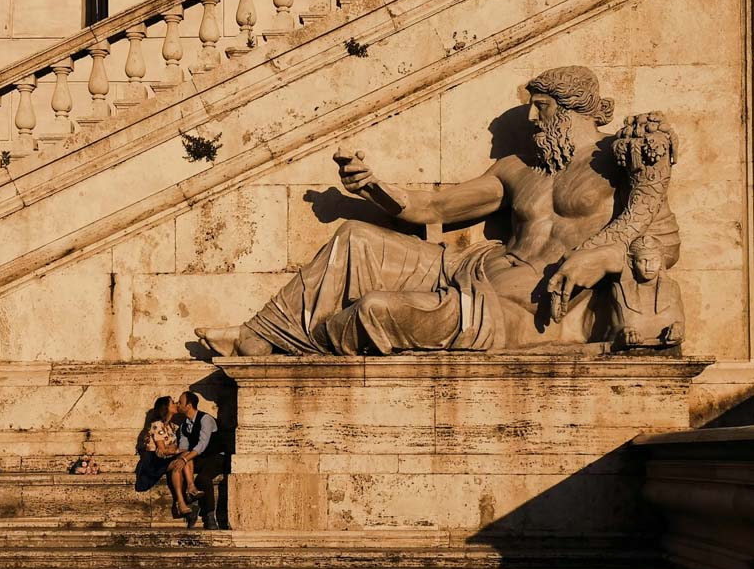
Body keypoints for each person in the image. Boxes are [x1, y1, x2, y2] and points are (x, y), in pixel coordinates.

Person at [195, 66, 680, 355]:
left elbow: (661, 242)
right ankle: (258, 336)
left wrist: (603, 258)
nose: (532, 118)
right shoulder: (517, 168)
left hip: (515, 308)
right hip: (468, 267)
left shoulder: (620, 162)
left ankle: (303, 343)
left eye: (541, 106)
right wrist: (374, 188)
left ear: (571, 108)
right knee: (355, 237)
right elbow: (435, 207)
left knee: (377, 310)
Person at [609, 235, 684, 348]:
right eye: (643, 261)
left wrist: (678, 329)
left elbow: (679, 322)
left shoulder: (673, 288)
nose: (649, 267)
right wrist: (624, 333)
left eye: (655, 260)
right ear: (631, 262)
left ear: (661, 260)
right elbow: (613, 330)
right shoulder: (618, 289)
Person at [133, 395, 199, 516]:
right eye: (172, 403)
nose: (176, 405)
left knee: (184, 457)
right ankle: (181, 501)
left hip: (164, 459)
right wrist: (175, 450)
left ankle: (190, 486)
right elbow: (163, 450)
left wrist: (176, 450)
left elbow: (171, 448)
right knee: (179, 462)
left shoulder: (172, 426)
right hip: (153, 461)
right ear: (166, 408)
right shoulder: (157, 425)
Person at [169, 391, 225, 529]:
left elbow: (202, 445)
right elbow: (184, 448)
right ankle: (190, 504)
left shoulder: (206, 419)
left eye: (180, 402)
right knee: (179, 468)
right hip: (200, 457)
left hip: (216, 456)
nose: (177, 404)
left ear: (188, 405)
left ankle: (209, 516)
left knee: (203, 479)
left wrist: (184, 459)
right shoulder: (184, 426)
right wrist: (178, 457)